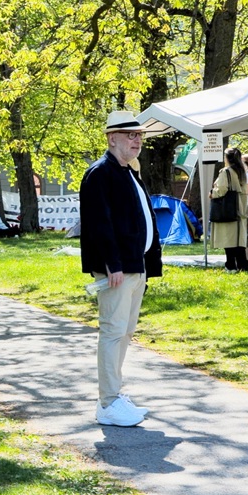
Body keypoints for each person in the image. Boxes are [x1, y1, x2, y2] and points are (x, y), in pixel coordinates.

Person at [79, 111, 163, 427]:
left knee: (125, 333)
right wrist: (112, 264)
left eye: (139, 135)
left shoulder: (129, 172)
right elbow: (100, 224)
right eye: (130, 135)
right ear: (112, 138)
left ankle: (114, 396)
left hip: (134, 267)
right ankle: (108, 402)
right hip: (117, 270)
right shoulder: (100, 173)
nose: (137, 140)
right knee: (113, 333)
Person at [212, 147, 248, 272]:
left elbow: (222, 189)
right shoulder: (242, 171)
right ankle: (242, 265)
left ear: (227, 158)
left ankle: (230, 265)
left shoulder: (226, 171)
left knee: (228, 237)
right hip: (240, 205)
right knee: (239, 239)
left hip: (228, 207)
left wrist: (212, 193)